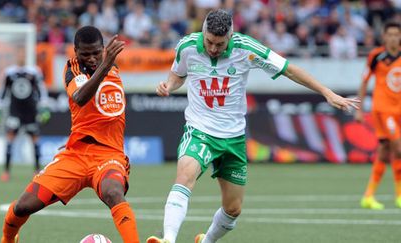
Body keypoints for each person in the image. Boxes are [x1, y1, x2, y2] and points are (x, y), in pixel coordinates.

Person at [146, 9, 360, 243]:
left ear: (230, 36)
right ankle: (168, 239)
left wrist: (326, 93)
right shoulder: (186, 47)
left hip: (234, 137)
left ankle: (206, 241)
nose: (214, 48)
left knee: (233, 210)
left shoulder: (246, 49)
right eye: (209, 41)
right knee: (185, 176)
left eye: (220, 43)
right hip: (200, 130)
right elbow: (178, 75)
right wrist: (168, 85)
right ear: (203, 32)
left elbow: (289, 69)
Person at [0, 26, 139, 243]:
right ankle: (7, 240)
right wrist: (105, 64)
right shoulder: (72, 69)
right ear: (75, 51)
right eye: (85, 54)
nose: (92, 59)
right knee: (23, 206)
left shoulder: (112, 65)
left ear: (103, 49)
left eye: (96, 53)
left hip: (109, 155)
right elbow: (81, 98)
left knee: (113, 193)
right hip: (75, 155)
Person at [355, 21, 401, 210]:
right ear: (384, 37)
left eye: (396, 34)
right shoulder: (376, 56)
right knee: (398, 147)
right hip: (382, 110)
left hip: (399, 110)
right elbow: (364, 81)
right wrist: (359, 109)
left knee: (384, 152)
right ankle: (399, 195)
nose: (393, 38)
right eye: (389, 34)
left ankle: (369, 196)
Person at [0, 50, 50, 182]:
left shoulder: (34, 72)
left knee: (35, 140)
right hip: (15, 112)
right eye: (19, 55)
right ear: (16, 57)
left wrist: (44, 108)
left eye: (23, 55)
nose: (21, 57)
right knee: (10, 140)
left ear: (26, 57)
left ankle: (37, 170)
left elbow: (41, 90)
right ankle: (6, 171)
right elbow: (3, 91)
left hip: (30, 112)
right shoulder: (9, 73)